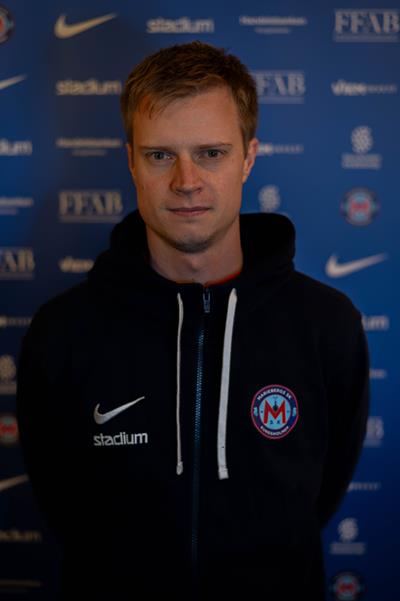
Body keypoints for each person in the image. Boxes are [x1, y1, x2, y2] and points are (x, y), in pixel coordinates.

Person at [16, 41, 369, 600]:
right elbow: (63, 507)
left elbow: (320, 497)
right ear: (131, 160)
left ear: (248, 157)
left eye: (211, 153)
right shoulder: (62, 333)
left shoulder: (327, 325)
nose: (186, 180)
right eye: (161, 155)